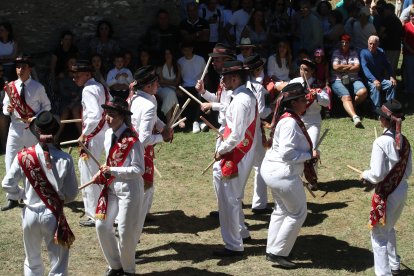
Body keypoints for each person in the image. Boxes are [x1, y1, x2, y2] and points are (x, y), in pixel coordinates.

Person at [2, 110, 78, 275]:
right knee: (58, 262)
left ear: (37, 130)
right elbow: (72, 194)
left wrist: (22, 194)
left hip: (29, 213)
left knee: (32, 261)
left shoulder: (23, 156)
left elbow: (7, 184)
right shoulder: (65, 159)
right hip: (52, 214)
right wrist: (58, 197)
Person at [260, 83, 319, 269]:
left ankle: (273, 249)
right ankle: (279, 253)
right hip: (282, 174)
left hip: (272, 171)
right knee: (297, 213)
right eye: (303, 100)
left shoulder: (286, 118)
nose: (306, 103)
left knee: (281, 210)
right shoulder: (290, 122)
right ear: (294, 103)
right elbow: (287, 154)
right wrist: (310, 155)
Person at [92, 97, 145, 276]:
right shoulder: (108, 135)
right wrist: (104, 172)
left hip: (130, 189)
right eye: (107, 114)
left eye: (112, 115)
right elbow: (109, 161)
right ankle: (115, 265)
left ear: (122, 117)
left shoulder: (133, 140)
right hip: (111, 187)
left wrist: (112, 170)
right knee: (101, 225)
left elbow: (139, 169)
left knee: (125, 231)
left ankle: (129, 270)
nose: (107, 118)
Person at [211, 60, 258, 257]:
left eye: (224, 77)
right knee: (232, 197)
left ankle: (233, 244)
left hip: (236, 152)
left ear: (235, 78)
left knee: (228, 199)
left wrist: (221, 149)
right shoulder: (242, 96)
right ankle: (241, 232)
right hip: (240, 151)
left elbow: (237, 134)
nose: (222, 81)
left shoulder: (241, 100)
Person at [361, 99, 412, 276]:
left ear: (384, 120)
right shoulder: (405, 141)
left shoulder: (381, 142)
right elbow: (407, 172)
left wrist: (364, 174)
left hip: (387, 194)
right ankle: (394, 264)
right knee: (388, 228)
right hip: (401, 190)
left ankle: (384, 273)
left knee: (378, 235)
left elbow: (376, 174)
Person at [1, 54, 51, 211]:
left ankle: (35, 194)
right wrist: (7, 110)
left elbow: (47, 106)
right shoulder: (11, 87)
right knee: (10, 160)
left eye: (23, 67)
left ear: (29, 68)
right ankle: (13, 197)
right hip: (15, 129)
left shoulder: (38, 87)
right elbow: (4, 106)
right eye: (17, 67)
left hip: (32, 129)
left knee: (33, 161)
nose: (19, 70)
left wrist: (36, 117)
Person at [129, 65, 173, 231]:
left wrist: (164, 128)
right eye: (156, 83)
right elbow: (144, 138)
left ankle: (141, 215)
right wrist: (163, 137)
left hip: (137, 149)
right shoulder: (146, 104)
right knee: (143, 188)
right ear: (147, 86)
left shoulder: (144, 98)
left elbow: (154, 120)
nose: (159, 86)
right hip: (140, 151)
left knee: (146, 187)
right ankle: (136, 222)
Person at [195, 43, 236, 218]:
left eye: (217, 59)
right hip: (223, 129)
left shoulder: (232, 80)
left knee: (225, 173)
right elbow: (218, 100)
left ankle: (230, 211)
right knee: (219, 173)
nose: (213, 62)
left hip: (231, 131)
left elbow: (229, 106)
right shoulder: (222, 79)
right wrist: (204, 93)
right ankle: (224, 209)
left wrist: (212, 105)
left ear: (226, 60)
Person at [73, 60, 111, 227]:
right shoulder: (101, 86)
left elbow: (94, 115)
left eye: (77, 75)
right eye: (73, 75)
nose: (74, 78)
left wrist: (84, 134)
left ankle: (93, 214)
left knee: (89, 174)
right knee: (105, 173)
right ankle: (107, 209)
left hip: (94, 137)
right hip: (105, 133)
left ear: (88, 74)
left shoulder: (88, 89)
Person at [244, 55, 272, 214]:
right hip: (254, 131)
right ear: (258, 70)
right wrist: (273, 108)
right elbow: (261, 112)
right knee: (259, 166)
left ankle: (237, 199)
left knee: (240, 167)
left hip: (239, 130)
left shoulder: (235, 87)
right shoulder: (258, 88)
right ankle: (259, 203)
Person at [331, 34, 368, 127]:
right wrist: (350, 67)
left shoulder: (353, 53)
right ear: (339, 43)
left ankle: (350, 107)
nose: (344, 44)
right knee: (346, 97)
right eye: (342, 42)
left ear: (349, 43)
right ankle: (355, 117)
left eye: (346, 42)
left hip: (354, 78)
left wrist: (342, 67)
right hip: (338, 79)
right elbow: (335, 67)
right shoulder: (336, 52)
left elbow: (357, 67)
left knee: (363, 92)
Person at [177, 42, 206, 133]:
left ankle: (196, 121)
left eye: (189, 49)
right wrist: (178, 88)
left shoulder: (200, 59)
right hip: (185, 87)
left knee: (200, 96)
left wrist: (204, 86)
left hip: (198, 85)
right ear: (182, 51)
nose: (187, 52)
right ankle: (193, 122)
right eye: (185, 50)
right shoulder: (180, 61)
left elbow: (206, 75)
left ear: (192, 49)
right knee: (180, 98)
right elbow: (179, 77)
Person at [360, 35, 396, 110]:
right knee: (375, 87)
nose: (372, 46)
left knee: (391, 84)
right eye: (370, 43)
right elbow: (365, 68)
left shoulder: (381, 51)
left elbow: (387, 65)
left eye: (374, 44)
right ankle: (377, 111)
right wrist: (374, 80)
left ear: (378, 44)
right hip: (368, 79)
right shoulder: (363, 53)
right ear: (367, 43)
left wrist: (391, 76)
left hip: (379, 78)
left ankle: (389, 108)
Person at [156, 48, 181, 126]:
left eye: (169, 53)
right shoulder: (160, 67)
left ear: (172, 55)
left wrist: (167, 83)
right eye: (166, 54)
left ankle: (169, 122)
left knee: (170, 94)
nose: (168, 56)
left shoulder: (177, 66)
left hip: (171, 89)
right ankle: (179, 117)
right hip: (161, 89)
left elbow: (177, 82)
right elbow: (160, 82)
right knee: (171, 92)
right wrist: (171, 84)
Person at [402, 7, 414, 95]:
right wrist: (411, 50)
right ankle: (409, 89)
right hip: (408, 53)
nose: (413, 17)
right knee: (409, 72)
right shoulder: (406, 26)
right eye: (412, 15)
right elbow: (404, 41)